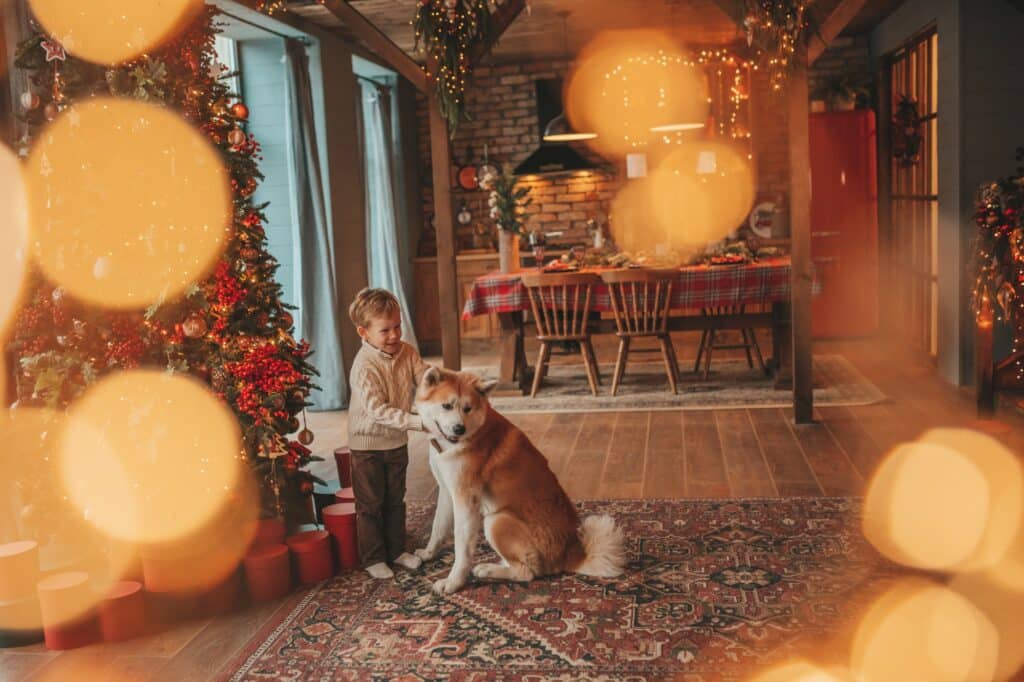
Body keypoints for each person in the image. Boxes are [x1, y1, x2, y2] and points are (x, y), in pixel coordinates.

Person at [346, 287, 428, 579]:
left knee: (396, 498)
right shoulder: (363, 366)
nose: (394, 335)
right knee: (370, 504)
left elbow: (425, 377)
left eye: (397, 327)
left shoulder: (407, 352)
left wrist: (445, 383)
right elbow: (377, 410)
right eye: (385, 331)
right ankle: (373, 557)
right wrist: (419, 421)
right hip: (367, 445)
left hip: (396, 442)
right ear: (364, 332)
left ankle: (396, 550)